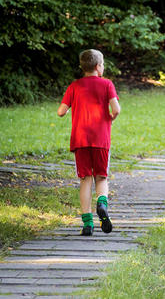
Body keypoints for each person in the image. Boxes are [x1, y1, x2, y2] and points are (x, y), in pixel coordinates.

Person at [57, 49, 121, 236]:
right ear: (97, 66)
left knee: (85, 179)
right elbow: (116, 109)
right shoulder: (107, 84)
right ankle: (102, 203)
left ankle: (87, 224)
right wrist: (110, 117)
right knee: (101, 177)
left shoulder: (74, 86)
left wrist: (68, 110)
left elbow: (60, 111)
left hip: (81, 140)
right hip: (101, 139)